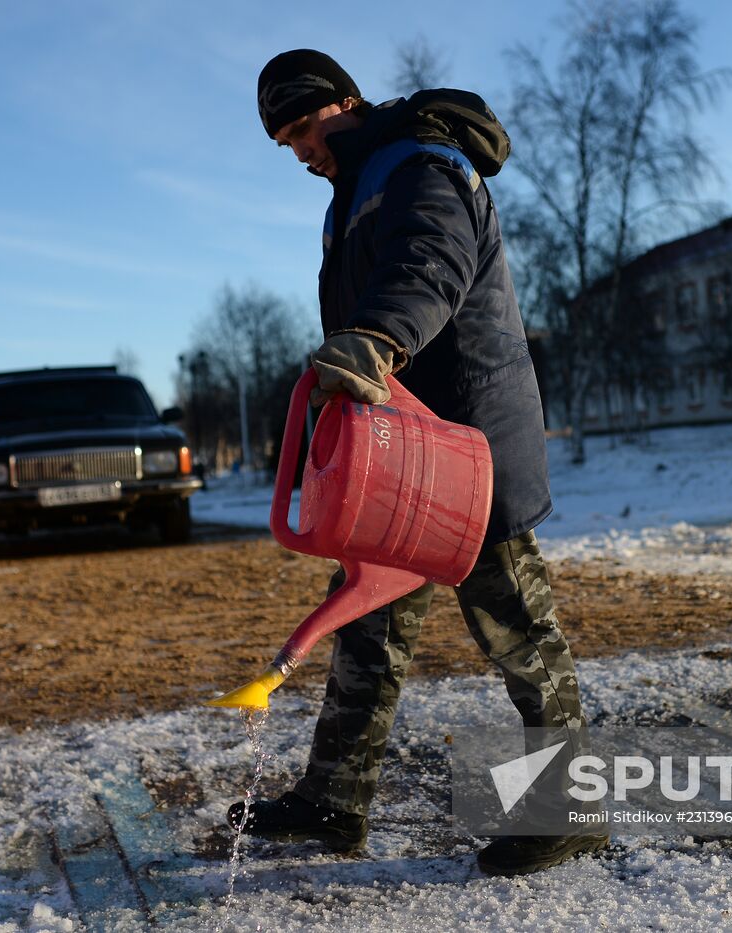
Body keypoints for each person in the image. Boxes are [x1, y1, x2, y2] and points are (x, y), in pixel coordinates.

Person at [234, 49, 607, 876]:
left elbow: (430, 264)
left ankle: (571, 807)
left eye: (304, 126)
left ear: (347, 101)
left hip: (467, 450)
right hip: (400, 458)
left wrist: (375, 338)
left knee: (519, 630)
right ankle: (333, 804)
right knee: (365, 625)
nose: (299, 149)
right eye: (284, 139)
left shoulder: (423, 161)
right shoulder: (353, 193)